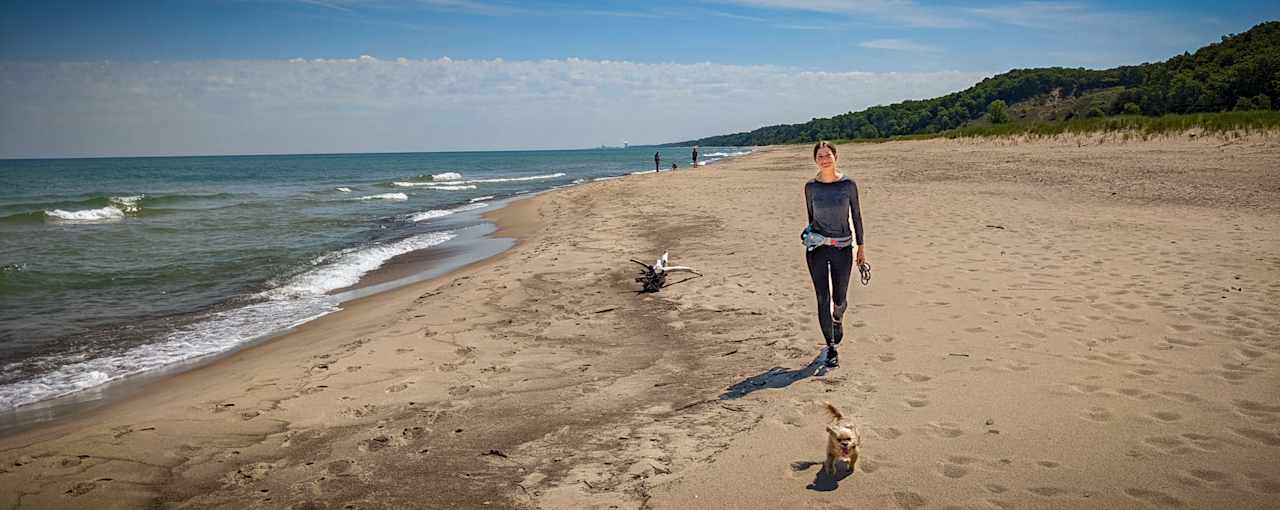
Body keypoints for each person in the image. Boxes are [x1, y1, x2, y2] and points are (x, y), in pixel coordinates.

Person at [802, 141, 865, 368]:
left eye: (828, 155)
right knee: (822, 297)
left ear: (835, 156)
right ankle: (831, 347)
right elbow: (810, 218)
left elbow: (856, 216)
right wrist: (810, 238)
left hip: (843, 249)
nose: (824, 159)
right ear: (815, 160)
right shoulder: (810, 187)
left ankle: (838, 318)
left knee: (839, 299)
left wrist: (861, 248)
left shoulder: (848, 185)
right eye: (820, 156)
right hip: (817, 250)